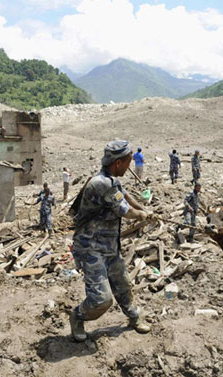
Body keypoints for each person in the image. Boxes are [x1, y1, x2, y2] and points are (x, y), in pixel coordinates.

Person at [69, 140, 152, 342]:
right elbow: (125, 211)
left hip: (109, 246)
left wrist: (143, 208)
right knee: (102, 299)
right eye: (128, 162)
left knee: (123, 284)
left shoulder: (111, 178)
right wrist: (141, 215)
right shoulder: (101, 184)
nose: (129, 166)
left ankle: (133, 317)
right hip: (90, 248)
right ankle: (77, 317)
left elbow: (124, 194)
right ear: (118, 163)